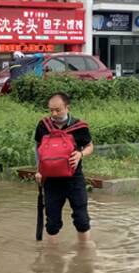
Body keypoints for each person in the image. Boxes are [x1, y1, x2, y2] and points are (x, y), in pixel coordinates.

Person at [34, 93, 93, 245]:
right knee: (52, 221)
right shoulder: (43, 125)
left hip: (74, 179)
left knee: (81, 218)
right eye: (51, 110)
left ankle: (85, 251)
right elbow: (38, 148)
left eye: (58, 110)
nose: (54, 114)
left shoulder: (79, 126)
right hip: (51, 180)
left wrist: (80, 154)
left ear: (67, 107)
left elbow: (89, 146)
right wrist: (39, 170)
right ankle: (52, 257)